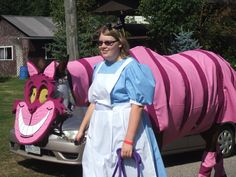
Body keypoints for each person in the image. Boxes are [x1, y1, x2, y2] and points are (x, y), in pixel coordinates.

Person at [75, 24, 167, 177]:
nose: (103, 46)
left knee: (127, 171)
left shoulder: (130, 67)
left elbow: (137, 106)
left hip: (123, 126)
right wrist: (82, 128)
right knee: (97, 168)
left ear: (120, 43)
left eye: (108, 42)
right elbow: (95, 102)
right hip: (99, 130)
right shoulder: (98, 68)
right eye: (100, 43)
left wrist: (129, 141)